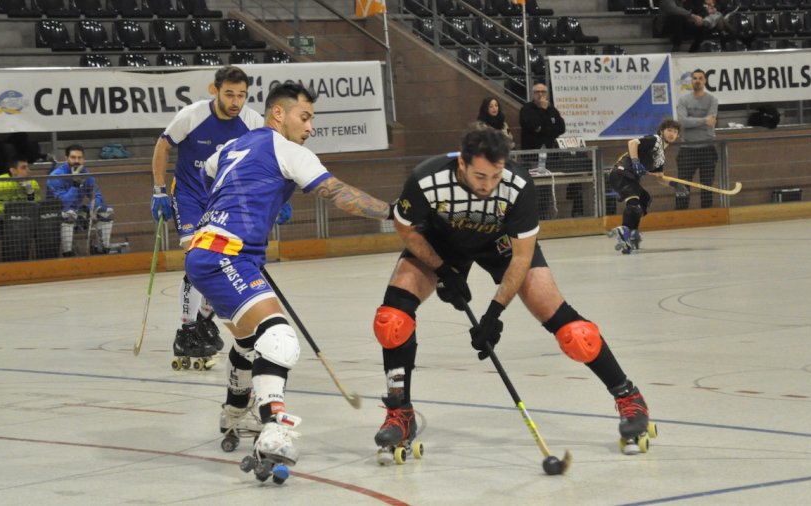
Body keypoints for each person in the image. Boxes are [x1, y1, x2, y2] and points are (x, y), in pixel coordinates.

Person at [374, 129, 654, 457]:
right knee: (392, 320)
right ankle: (400, 412)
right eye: (479, 175)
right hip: (440, 242)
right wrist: (442, 270)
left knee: (575, 334)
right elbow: (405, 227)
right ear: (461, 163)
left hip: (501, 244)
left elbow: (521, 257)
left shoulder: (518, 184)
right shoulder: (426, 178)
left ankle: (628, 397)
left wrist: (494, 313)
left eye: (495, 176)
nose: (487, 185)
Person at [184, 83, 391, 473]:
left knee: (248, 342)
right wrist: (392, 211)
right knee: (278, 338)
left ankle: (234, 412)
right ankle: (274, 427)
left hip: (208, 251)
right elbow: (336, 192)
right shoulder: (290, 151)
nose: (310, 127)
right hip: (227, 253)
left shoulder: (232, 147)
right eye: (305, 117)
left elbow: (207, 173)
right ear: (278, 114)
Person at [150, 65, 265, 366]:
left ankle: (203, 321)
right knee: (195, 261)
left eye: (241, 95)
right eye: (229, 94)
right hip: (189, 196)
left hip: (222, 202)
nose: (236, 101)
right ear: (215, 91)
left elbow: (266, 158)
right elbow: (162, 147)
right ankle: (186, 330)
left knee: (220, 264)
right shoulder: (192, 115)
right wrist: (159, 190)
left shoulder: (252, 121)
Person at [607, 119, 683, 254]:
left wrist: (674, 185)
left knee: (644, 199)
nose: (672, 134)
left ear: (678, 136)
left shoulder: (660, 157)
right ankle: (625, 231)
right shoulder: (655, 140)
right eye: (669, 130)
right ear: (662, 131)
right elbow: (632, 143)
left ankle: (632, 233)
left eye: (675, 132)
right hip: (621, 173)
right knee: (634, 204)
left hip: (630, 179)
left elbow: (660, 178)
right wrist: (635, 161)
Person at [47, 144, 114, 257]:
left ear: (84, 159)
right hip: (55, 215)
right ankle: (68, 254)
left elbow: (97, 196)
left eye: (79, 158)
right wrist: (75, 185)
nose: (76, 161)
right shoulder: (56, 176)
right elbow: (64, 203)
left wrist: (87, 209)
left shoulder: (86, 174)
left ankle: (103, 251)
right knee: (69, 213)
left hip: (78, 213)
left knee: (105, 211)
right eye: (73, 157)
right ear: (66, 158)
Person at [519, 82, 566, 220]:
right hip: (532, 157)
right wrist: (545, 120)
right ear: (533, 94)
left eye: (543, 92)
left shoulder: (552, 110)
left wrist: (543, 129)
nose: (540, 95)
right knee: (534, 188)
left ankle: (545, 216)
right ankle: (533, 217)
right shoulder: (526, 109)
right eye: (537, 92)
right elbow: (534, 125)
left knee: (547, 188)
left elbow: (561, 128)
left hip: (549, 157)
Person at [676, 69, 718, 210]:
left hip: (707, 148)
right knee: (682, 185)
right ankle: (681, 214)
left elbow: (711, 121)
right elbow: (682, 122)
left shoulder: (712, 100)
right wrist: (703, 120)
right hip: (687, 149)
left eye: (700, 78)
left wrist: (692, 121)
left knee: (706, 185)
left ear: (705, 81)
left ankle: (707, 214)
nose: (697, 80)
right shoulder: (683, 100)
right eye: (695, 78)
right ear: (691, 81)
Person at [0, 156, 40, 262]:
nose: (28, 171)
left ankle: (41, 259)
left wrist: (30, 193)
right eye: (23, 168)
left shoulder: (32, 183)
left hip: (26, 220)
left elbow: (37, 206)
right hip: (2, 220)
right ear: (13, 170)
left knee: (43, 223)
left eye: (28, 167)